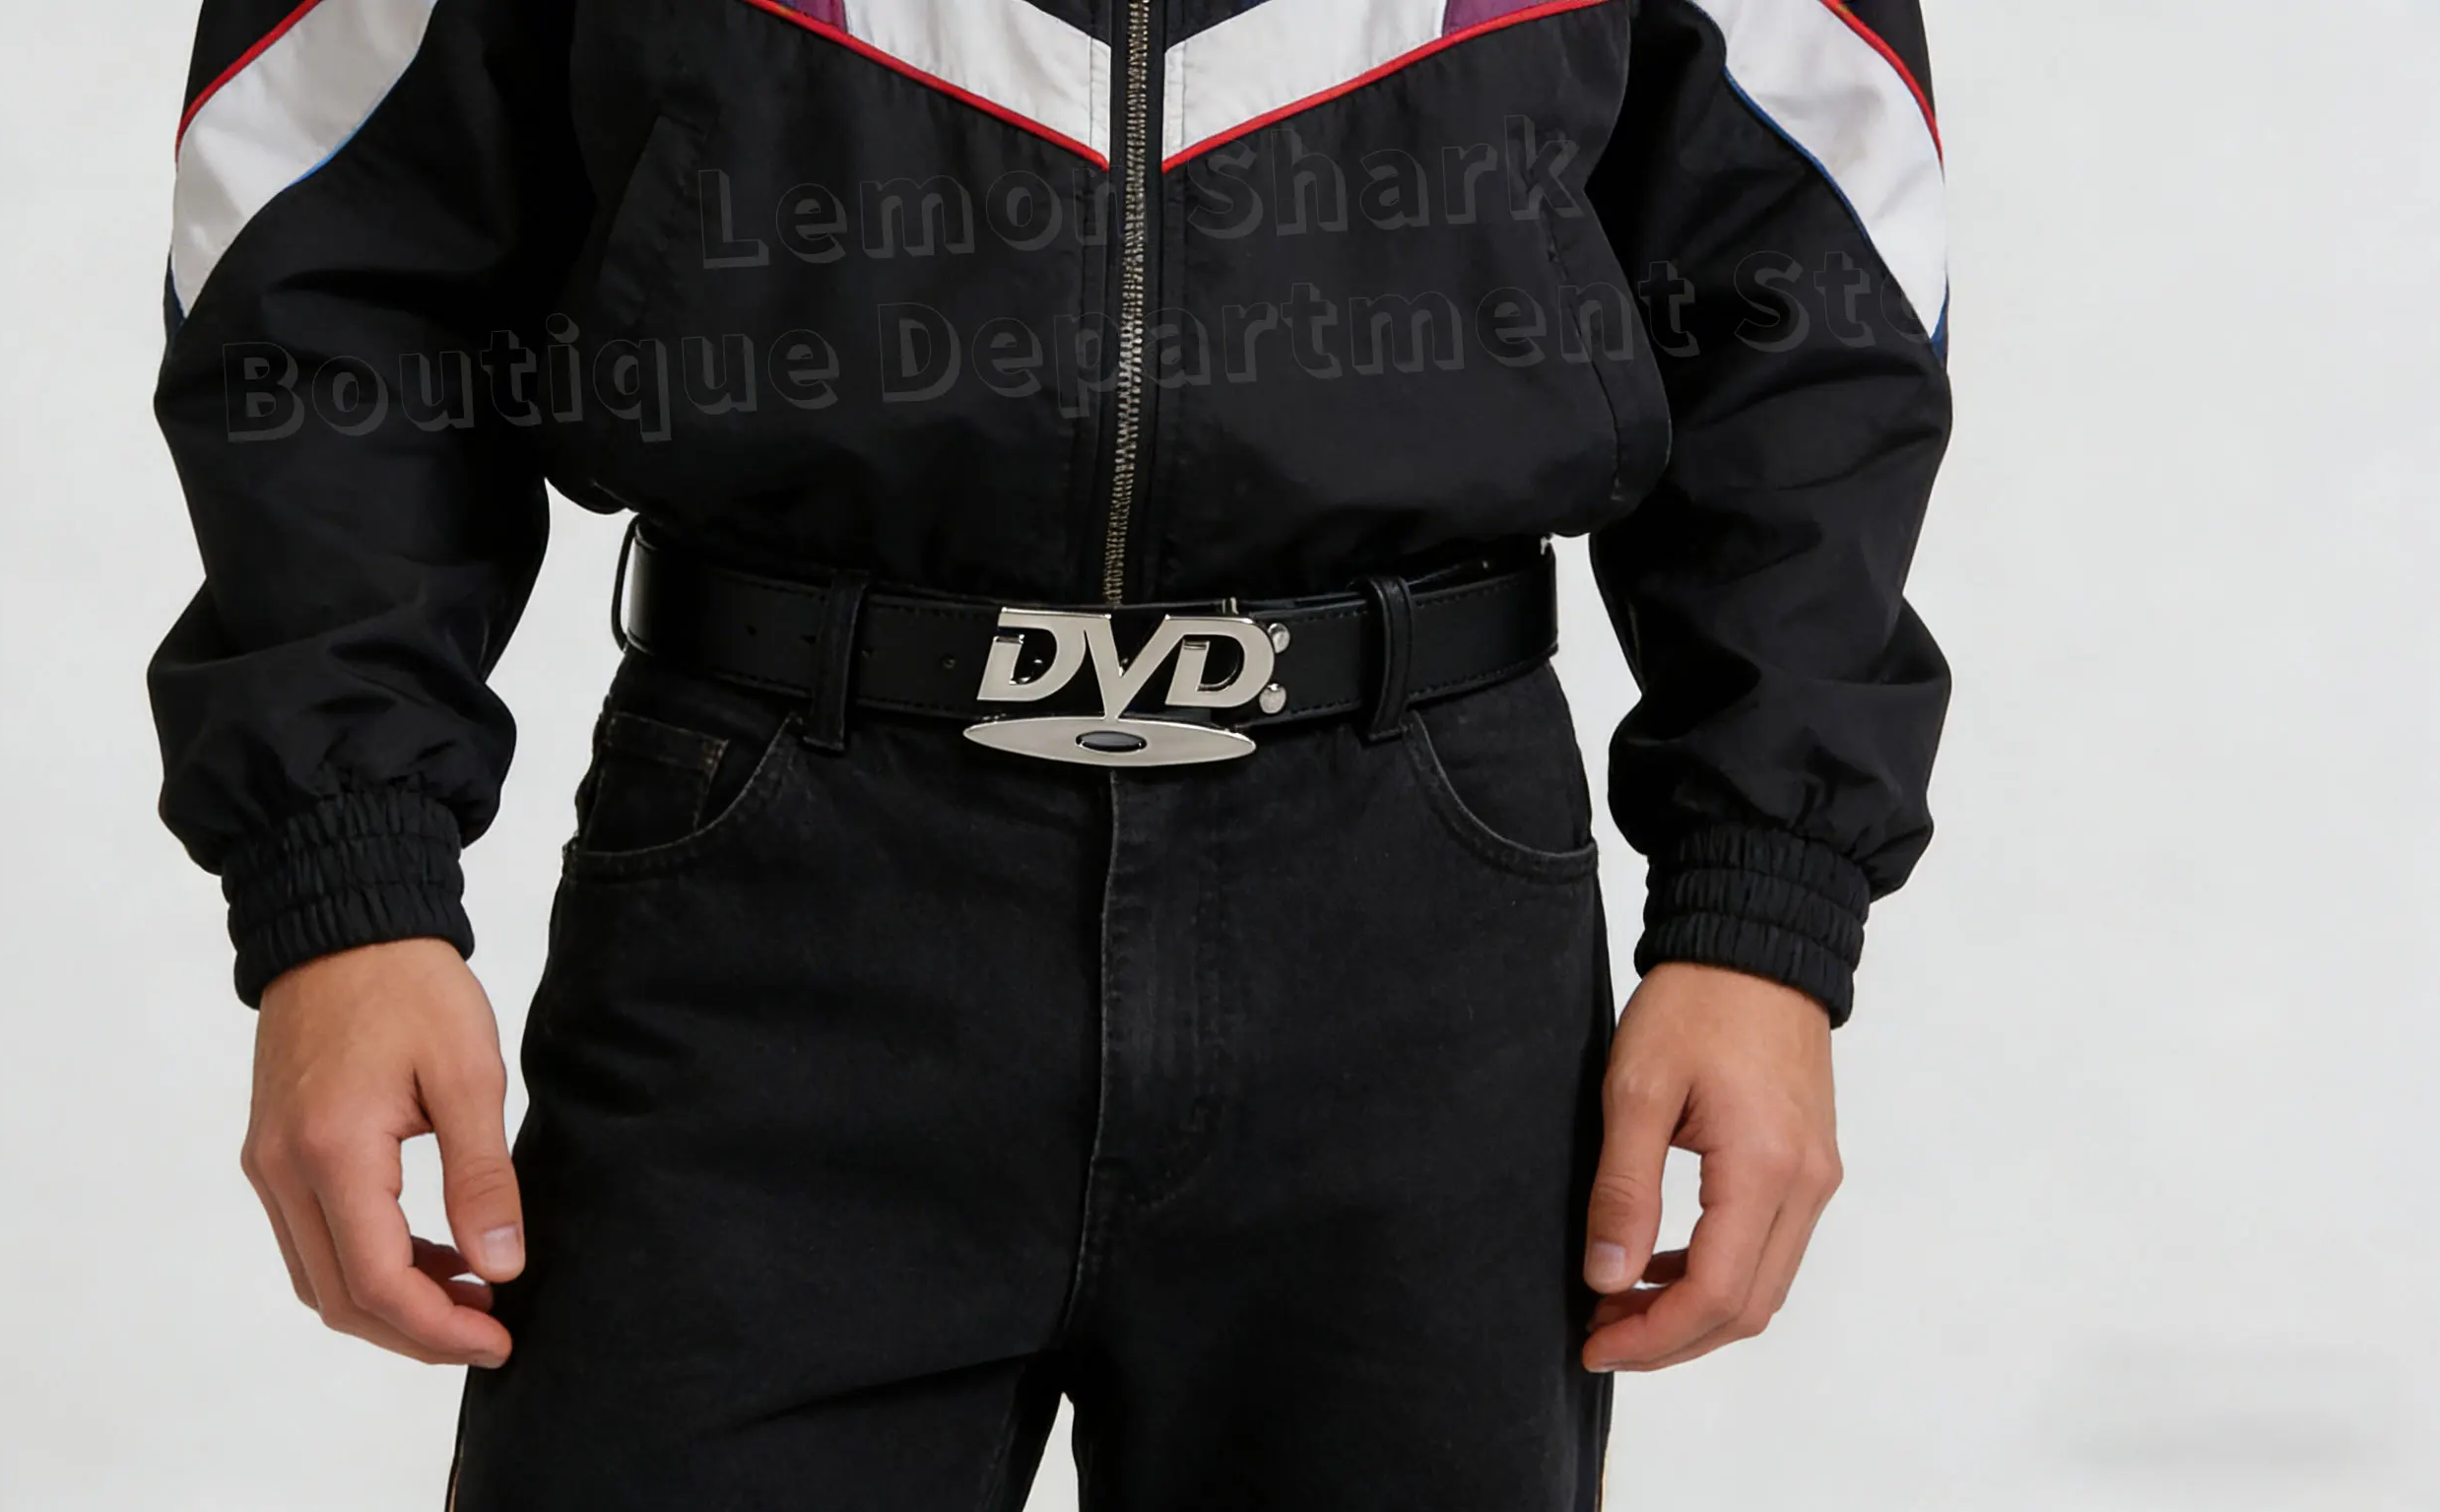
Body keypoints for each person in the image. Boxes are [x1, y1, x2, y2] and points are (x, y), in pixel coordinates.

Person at [149, 0, 1950, 1503]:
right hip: (775, 905)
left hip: (1415, 924)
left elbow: (1810, 277)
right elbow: (327, 252)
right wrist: (343, 880)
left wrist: (1761, 902)